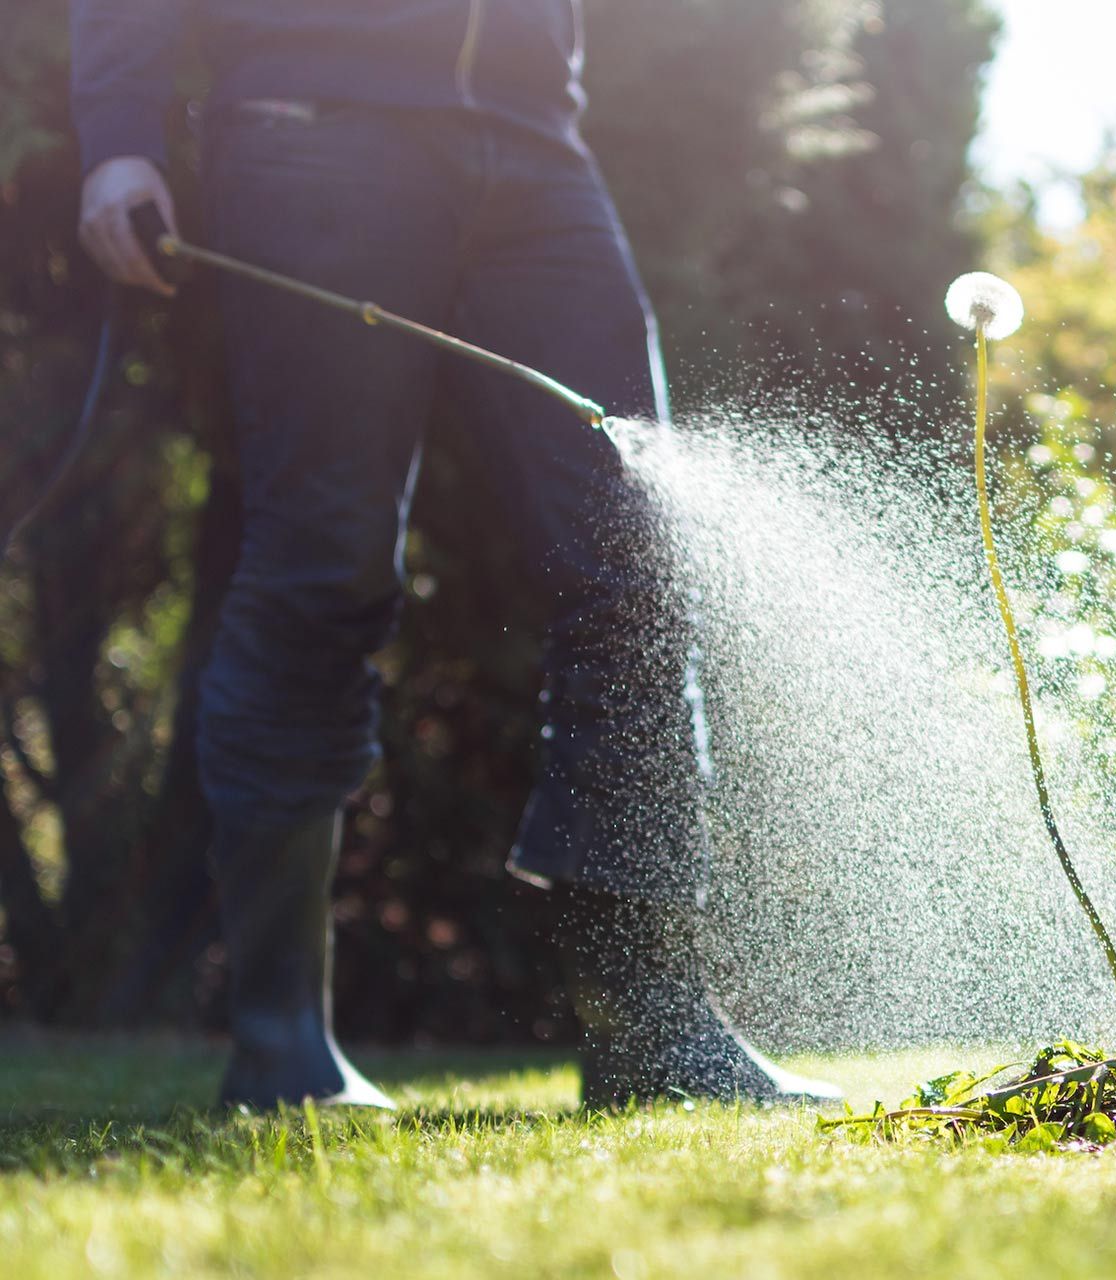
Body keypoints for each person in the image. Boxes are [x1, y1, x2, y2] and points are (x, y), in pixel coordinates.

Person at [69, 0, 838, 1109]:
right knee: (323, 565)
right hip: (314, 117)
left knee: (641, 546)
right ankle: (281, 1042)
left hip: (535, 140)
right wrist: (119, 132)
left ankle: (649, 1030)